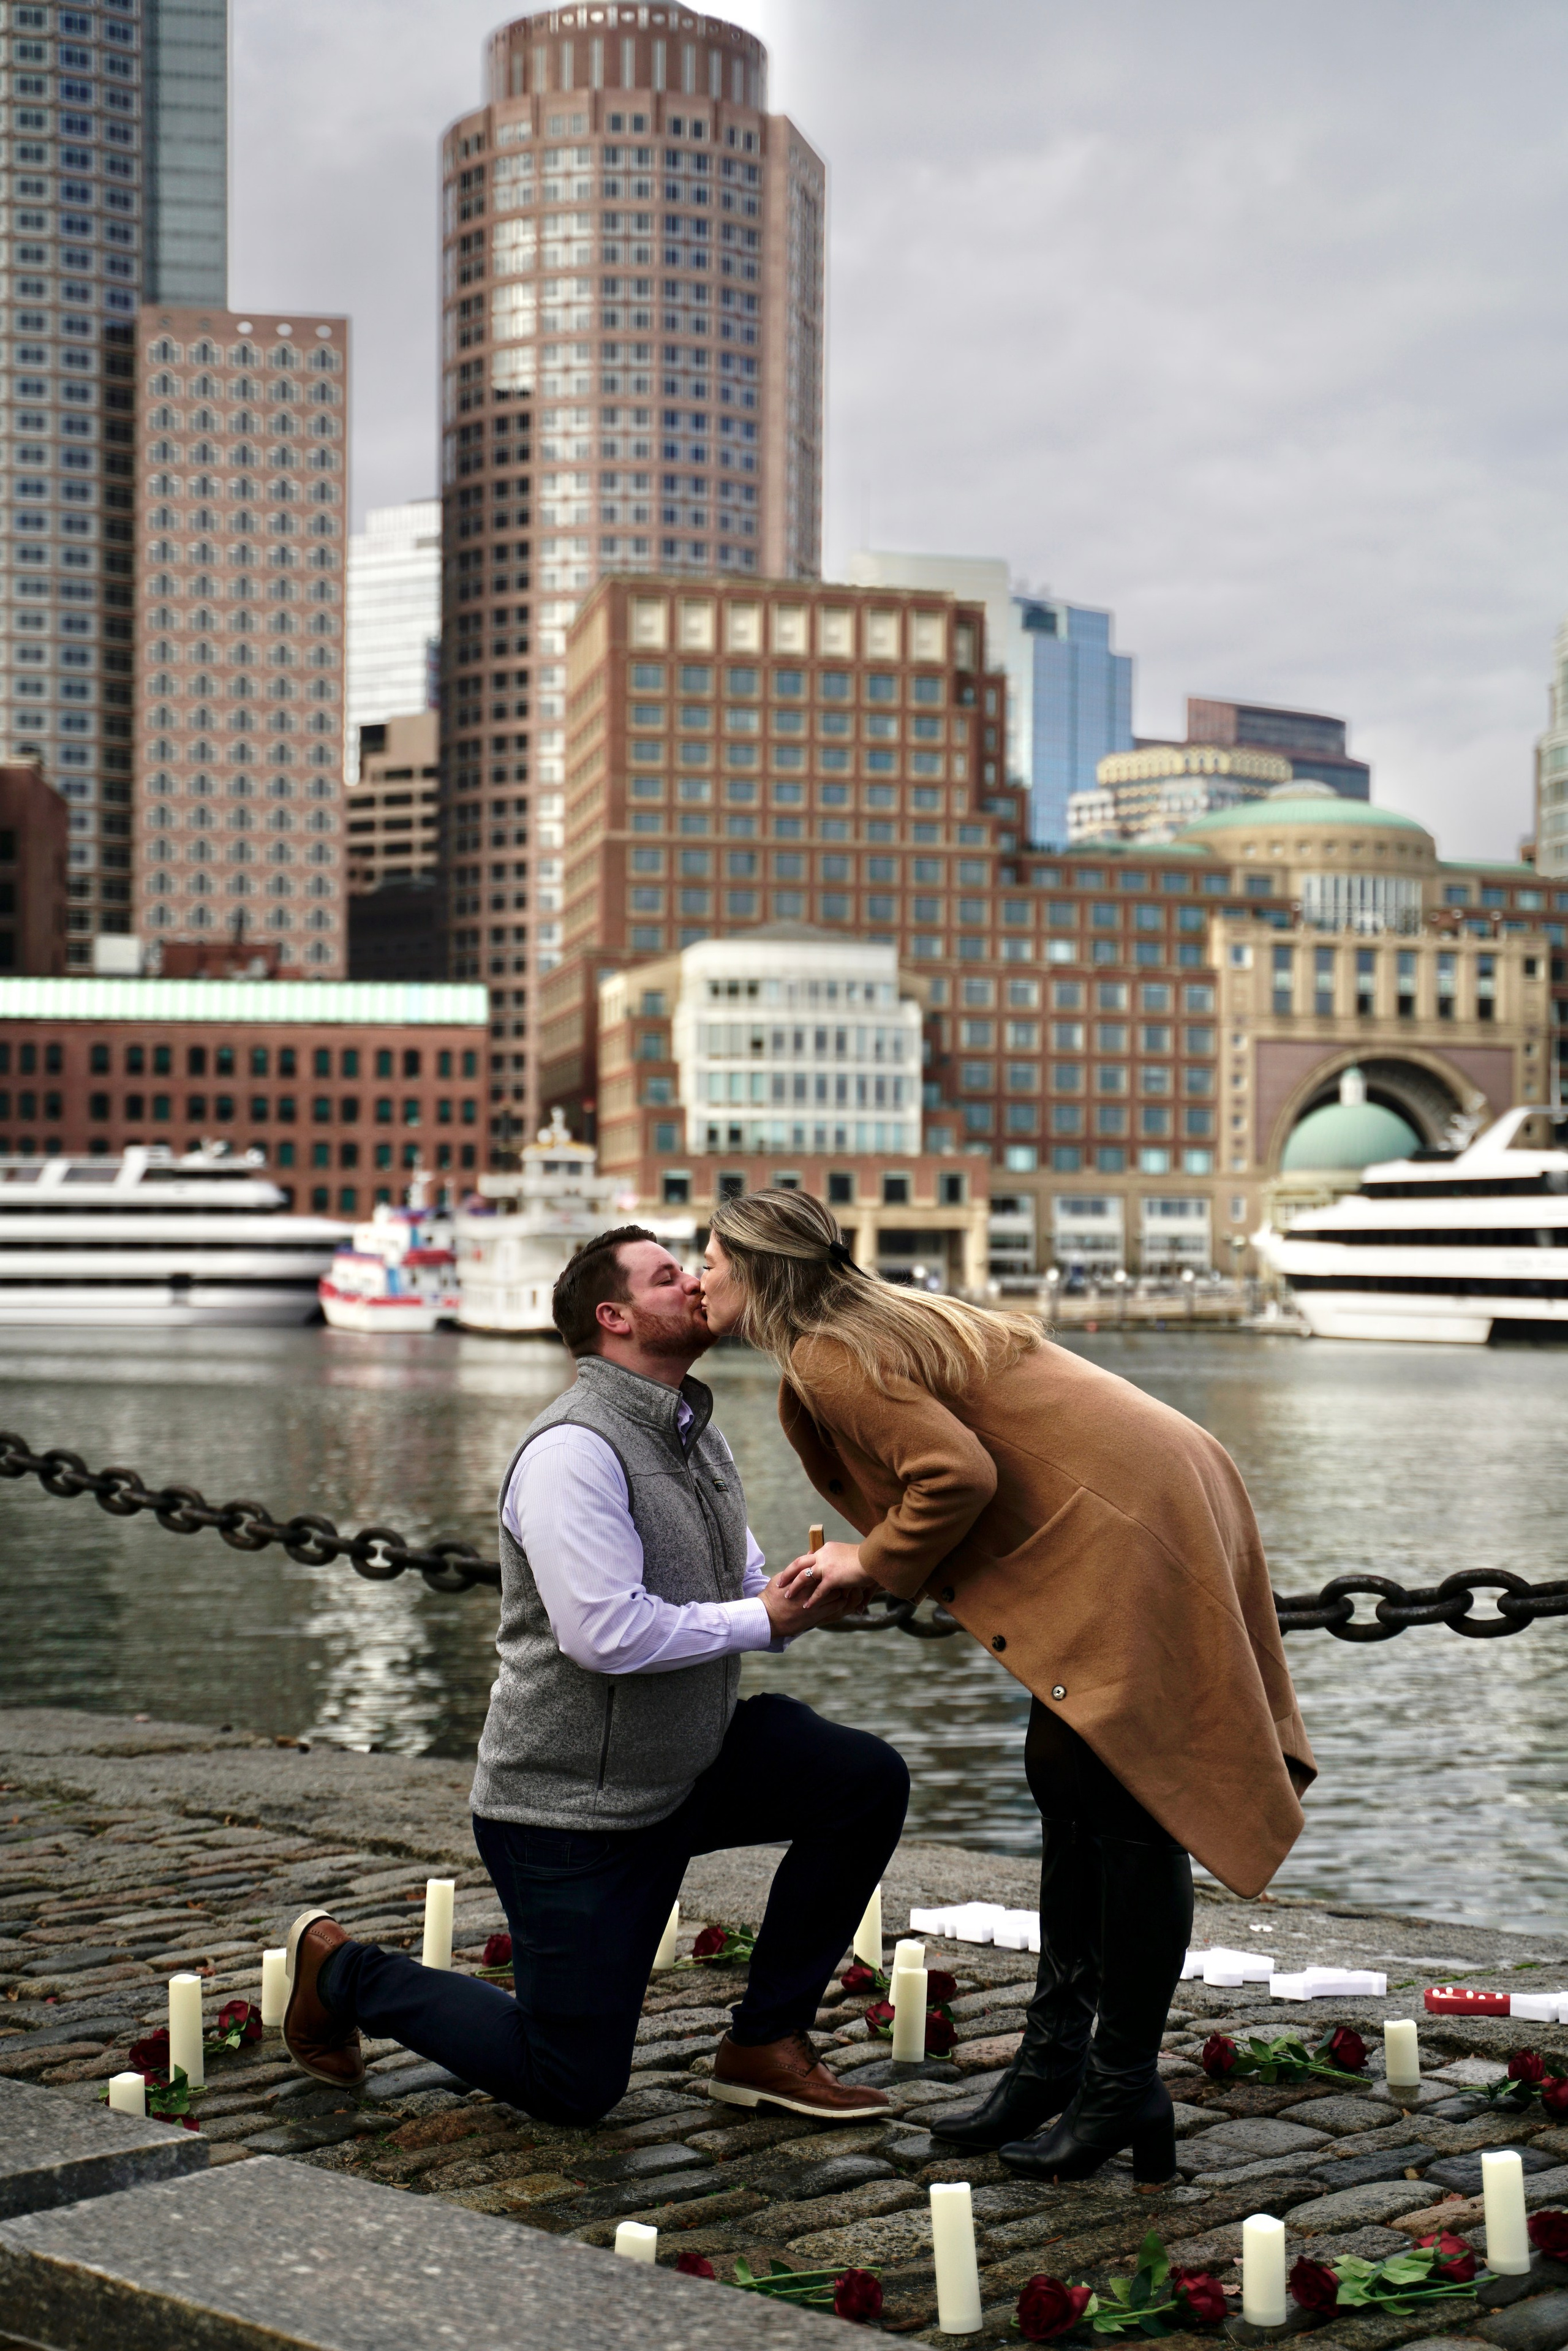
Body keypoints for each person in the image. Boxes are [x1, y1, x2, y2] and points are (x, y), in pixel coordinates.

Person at [699, 1190, 1314, 2187]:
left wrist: (871, 1561)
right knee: (1066, 1785)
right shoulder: (863, 1320)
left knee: (1125, 1802)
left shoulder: (828, 1352)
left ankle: (1120, 2085)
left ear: (758, 1269)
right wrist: (881, 1561)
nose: (700, 1274)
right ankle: (1055, 2063)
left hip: (1123, 1523)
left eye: (712, 1256)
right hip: (1151, 1486)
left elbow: (955, 1473)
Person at [281, 1225, 909, 2127]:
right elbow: (604, 1634)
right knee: (572, 2085)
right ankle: (343, 1971)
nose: (695, 1283)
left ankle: (765, 2041)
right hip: (573, 1811)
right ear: (614, 1317)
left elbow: (735, 1584)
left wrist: (801, 1596)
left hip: (687, 1763)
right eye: (667, 1277)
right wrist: (763, 1618)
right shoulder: (573, 1450)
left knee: (862, 1780)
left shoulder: (693, 1427)